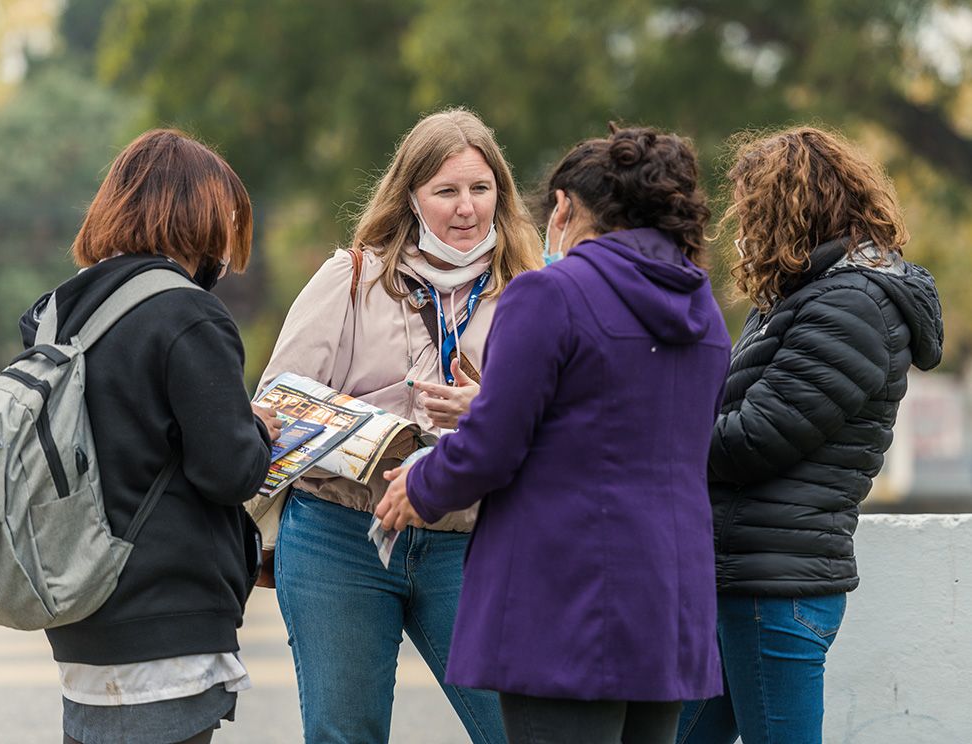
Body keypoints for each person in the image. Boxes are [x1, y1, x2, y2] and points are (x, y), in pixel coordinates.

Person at [376, 124, 731, 744]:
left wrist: (421, 481)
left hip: (565, 599)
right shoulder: (702, 311)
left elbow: (491, 445)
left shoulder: (550, 293)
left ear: (565, 207)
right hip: (669, 602)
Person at [257, 108, 541, 744]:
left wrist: (489, 408)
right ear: (411, 198)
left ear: (502, 192)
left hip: (471, 539)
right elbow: (275, 404)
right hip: (341, 534)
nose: (466, 208)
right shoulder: (352, 276)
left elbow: (568, 421)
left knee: (518, 729)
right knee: (344, 734)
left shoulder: (532, 290)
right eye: (446, 191)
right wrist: (368, 429)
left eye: (480, 188)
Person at [675, 127, 944, 744]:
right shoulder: (802, 297)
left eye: (750, 212)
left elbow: (755, 438)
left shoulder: (851, 306)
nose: (740, 230)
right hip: (744, 575)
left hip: (775, 589)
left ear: (790, 210)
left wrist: (651, 437)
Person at [17, 129, 278, 744]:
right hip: (167, 626)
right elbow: (229, 470)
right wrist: (261, 430)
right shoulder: (188, 313)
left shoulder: (56, 311)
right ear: (197, 218)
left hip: (82, 612)